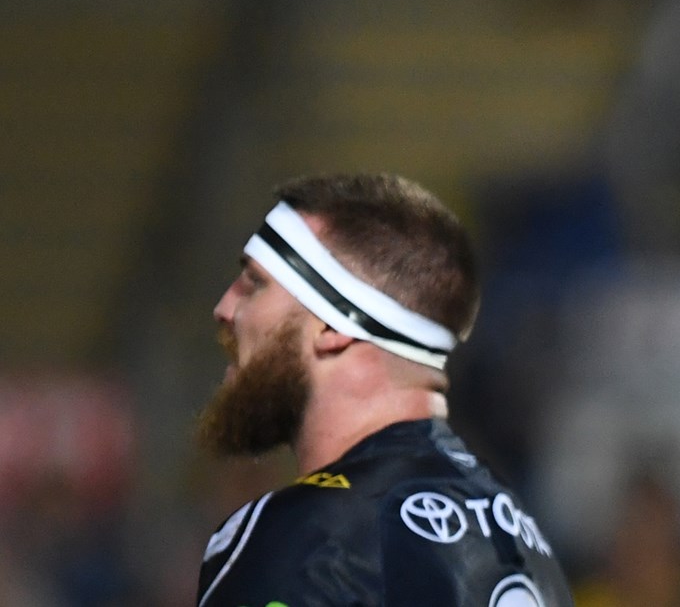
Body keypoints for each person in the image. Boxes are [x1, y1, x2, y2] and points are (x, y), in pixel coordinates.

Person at [195, 174, 570, 607]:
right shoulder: (524, 538)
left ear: (333, 325)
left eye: (255, 282)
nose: (224, 308)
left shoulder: (306, 540)